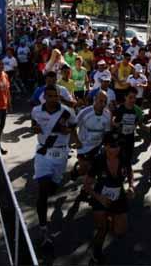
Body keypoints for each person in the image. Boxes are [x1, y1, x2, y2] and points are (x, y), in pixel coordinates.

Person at [30, 86, 77, 247]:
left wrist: (68, 131)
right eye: (49, 96)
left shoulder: (67, 111)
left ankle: (57, 183)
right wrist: (34, 128)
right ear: (45, 97)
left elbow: (73, 125)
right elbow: (33, 124)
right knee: (42, 190)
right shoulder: (36, 110)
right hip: (43, 152)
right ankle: (43, 228)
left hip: (61, 153)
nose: (52, 99)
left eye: (55, 96)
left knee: (52, 188)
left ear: (59, 96)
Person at [84, 131, 134, 265]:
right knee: (102, 229)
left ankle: (112, 218)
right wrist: (100, 198)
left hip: (119, 195)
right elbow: (87, 186)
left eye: (119, 145)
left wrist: (131, 186)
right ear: (105, 146)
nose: (116, 148)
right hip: (100, 196)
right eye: (112, 145)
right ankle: (96, 253)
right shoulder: (98, 160)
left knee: (120, 232)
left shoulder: (124, 156)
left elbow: (130, 171)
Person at [70, 91, 111, 183]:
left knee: (93, 170)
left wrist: (106, 146)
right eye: (101, 101)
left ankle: (86, 190)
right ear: (94, 100)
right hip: (83, 146)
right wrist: (76, 141)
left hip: (97, 146)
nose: (103, 104)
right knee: (84, 170)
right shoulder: (84, 112)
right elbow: (73, 127)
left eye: (105, 102)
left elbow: (107, 132)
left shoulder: (107, 115)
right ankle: (76, 172)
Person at [113, 87, 146, 165]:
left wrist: (150, 129)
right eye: (130, 97)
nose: (133, 100)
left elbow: (141, 125)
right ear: (125, 97)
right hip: (119, 137)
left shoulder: (138, 110)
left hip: (130, 137)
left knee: (128, 158)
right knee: (118, 158)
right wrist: (115, 124)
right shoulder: (119, 109)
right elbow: (113, 123)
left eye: (134, 97)